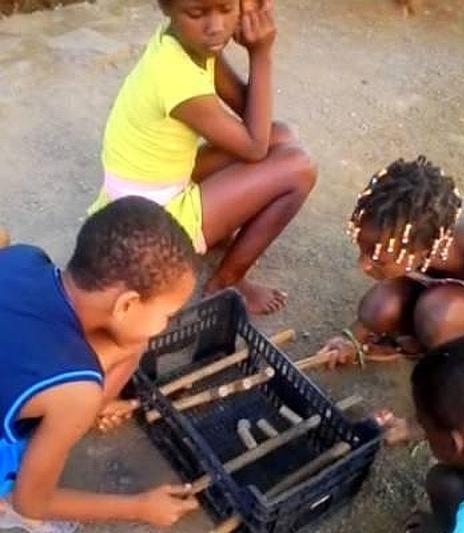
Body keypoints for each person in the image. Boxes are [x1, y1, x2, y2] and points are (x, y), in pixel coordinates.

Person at [89, 0, 317, 315]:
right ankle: (226, 281)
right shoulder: (175, 74)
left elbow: (249, 114)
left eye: (226, 9)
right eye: (197, 14)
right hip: (148, 223)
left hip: (156, 185)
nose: (215, 27)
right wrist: (261, 54)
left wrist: (248, 18)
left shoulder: (189, 42)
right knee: (299, 169)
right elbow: (254, 146)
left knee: (282, 136)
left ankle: (216, 231)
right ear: (165, 7)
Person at [0, 197, 198, 533]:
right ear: (128, 303)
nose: (166, 326)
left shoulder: (24, 257)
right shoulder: (76, 390)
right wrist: (140, 507)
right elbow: (31, 502)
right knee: (82, 389)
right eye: (167, 315)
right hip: (52, 419)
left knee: (130, 346)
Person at [320, 156, 464, 369]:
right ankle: (423, 339)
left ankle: (451, 353)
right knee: (379, 308)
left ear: (427, 250)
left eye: (377, 258)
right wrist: (351, 340)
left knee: (439, 316)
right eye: (363, 251)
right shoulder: (424, 224)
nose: (363, 265)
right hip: (451, 292)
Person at [382, 336, 464, 533]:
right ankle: (450, 527)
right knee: (445, 484)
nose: (423, 433)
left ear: (453, 444)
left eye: (424, 427)